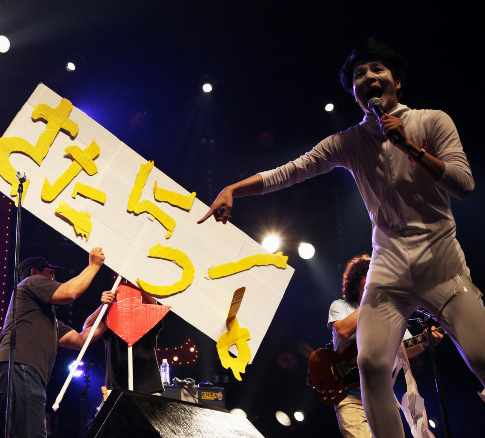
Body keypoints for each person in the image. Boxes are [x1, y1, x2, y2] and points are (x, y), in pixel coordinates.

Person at [198, 39, 485, 437]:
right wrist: (234, 188)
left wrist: (410, 148)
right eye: (359, 75)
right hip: (389, 273)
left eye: (377, 70)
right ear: (354, 92)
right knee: (371, 366)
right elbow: (292, 171)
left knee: (481, 357)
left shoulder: (432, 121)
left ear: (397, 82)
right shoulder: (349, 142)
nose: (368, 77)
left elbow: (465, 184)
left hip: (443, 267)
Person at [0, 247, 114, 438]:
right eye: (50, 273)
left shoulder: (46, 320)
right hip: (20, 368)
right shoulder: (31, 281)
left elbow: (81, 339)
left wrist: (108, 310)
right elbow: (70, 292)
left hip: (13, 370)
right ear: (34, 271)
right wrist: (94, 265)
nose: (53, 279)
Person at [329, 254, 442, 438]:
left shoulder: (389, 314)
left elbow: (404, 349)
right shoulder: (341, 306)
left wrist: (424, 341)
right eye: (370, 274)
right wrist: (371, 302)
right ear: (358, 280)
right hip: (351, 400)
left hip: (384, 398)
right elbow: (342, 330)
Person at [102, 281, 164, 395]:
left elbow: (155, 308)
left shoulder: (147, 321)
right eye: (124, 298)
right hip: (116, 387)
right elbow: (88, 327)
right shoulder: (109, 321)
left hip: (146, 387)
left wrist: (138, 285)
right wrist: (105, 305)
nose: (128, 302)